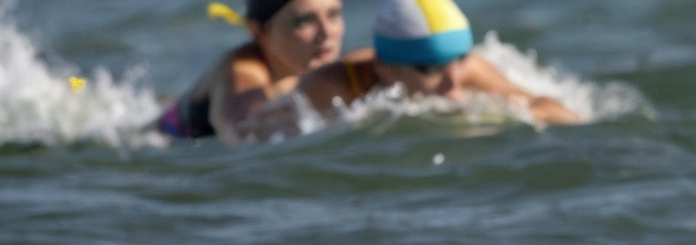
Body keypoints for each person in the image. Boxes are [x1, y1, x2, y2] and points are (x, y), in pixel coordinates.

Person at [236, 0, 582, 141]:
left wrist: (512, 113)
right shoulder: (333, 86)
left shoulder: (469, 69)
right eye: (429, 68)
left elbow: (555, 110)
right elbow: (258, 136)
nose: (453, 82)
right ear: (385, 69)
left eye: (459, 60)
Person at [156, 0, 357, 143]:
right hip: (171, 140)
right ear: (257, 29)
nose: (327, 32)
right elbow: (246, 131)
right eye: (304, 20)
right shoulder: (242, 71)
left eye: (334, 14)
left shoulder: (315, 63)